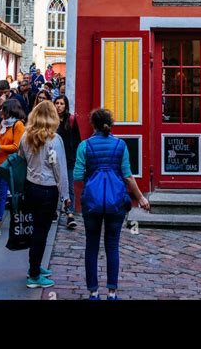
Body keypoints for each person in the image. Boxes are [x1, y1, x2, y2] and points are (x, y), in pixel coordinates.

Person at [74, 108, 150, 300]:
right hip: (116, 202)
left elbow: (76, 175)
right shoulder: (120, 145)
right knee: (112, 246)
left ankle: (93, 291)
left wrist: (93, 177)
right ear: (110, 124)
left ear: (93, 125)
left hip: (92, 203)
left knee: (91, 246)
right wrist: (140, 198)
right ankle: (112, 292)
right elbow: (128, 176)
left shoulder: (84, 146)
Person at [18, 101, 70, 288]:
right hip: (47, 189)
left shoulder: (26, 136)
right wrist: (65, 195)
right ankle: (34, 274)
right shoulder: (54, 140)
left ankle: (36, 266)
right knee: (41, 232)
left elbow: (22, 158)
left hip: (31, 187)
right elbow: (60, 169)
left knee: (36, 230)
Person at [0, 99, 26, 238]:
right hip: (0, 163)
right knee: (0, 194)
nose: (1, 112)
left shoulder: (18, 125)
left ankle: (18, 221)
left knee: (15, 195)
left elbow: (16, 146)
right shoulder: (3, 123)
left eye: (4, 109)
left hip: (12, 165)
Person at [55, 95, 81, 230]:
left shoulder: (70, 120)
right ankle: (53, 211)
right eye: (57, 103)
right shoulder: (50, 120)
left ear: (66, 106)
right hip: (53, 159)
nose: (59, 106)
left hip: (68, 158)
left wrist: (76, 157)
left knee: (69, 187)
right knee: (53, 186)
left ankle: (69, 214)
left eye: (61, 104)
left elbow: (77, 139)